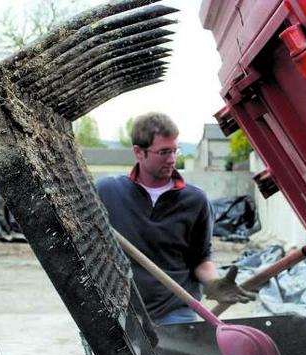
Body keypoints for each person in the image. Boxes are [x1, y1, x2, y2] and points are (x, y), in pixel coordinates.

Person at [96, 112, 255, 325]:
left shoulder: (195, 200)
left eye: (174, 151)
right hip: (122, 311)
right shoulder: (108, 192)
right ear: (138, 152)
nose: (172, 159)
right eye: (163, 152)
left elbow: (200, 259)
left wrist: (214, 283)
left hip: (174, 312)